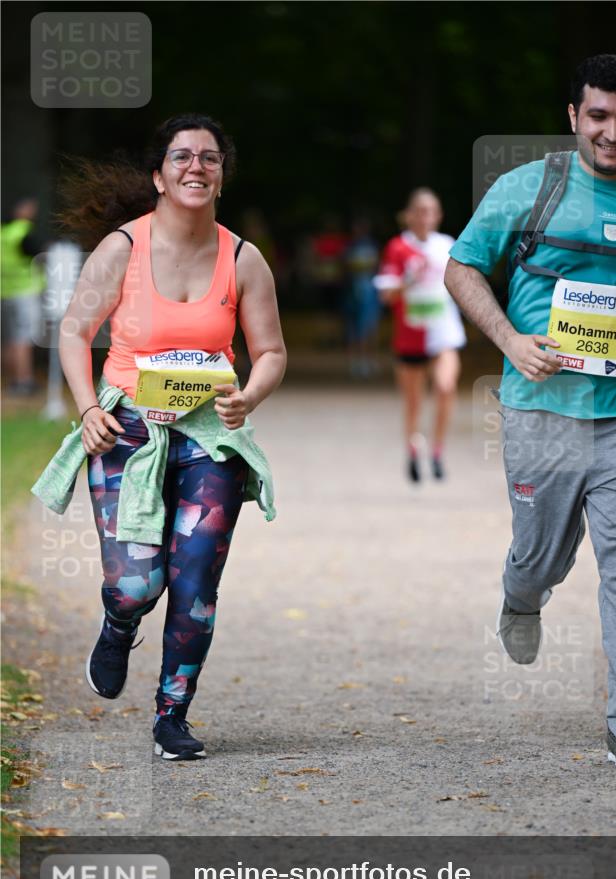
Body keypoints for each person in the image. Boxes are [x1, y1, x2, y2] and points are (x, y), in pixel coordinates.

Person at [32, 113, 287, 761]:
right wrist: (88, 407)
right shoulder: (123, 248)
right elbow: (71, 331)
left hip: (209, 435)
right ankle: (119, 623)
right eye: (181, 157)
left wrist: (248, 395)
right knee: (136, 584)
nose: (196, 167)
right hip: (126, 429)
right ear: (159, 176)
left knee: (196, 579)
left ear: (221, 178)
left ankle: (172, 713)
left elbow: (271, 352)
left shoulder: (242, 258)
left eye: (209, 158)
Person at [445, 55, 616, 768]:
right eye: (597, 116)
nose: (612, 132)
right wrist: (510, 341)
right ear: (573, 117)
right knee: (541, 555)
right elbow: (460, 266)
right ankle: (522, 594)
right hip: (540, 411)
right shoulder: (529, 187)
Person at [375, 189, 466, 482]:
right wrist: (407, 283)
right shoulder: (398, 247)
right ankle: (413, 448)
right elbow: (387, 296)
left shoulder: (448, 245)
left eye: (431, 211)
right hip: (410, 336)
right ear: (409, 215)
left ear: (438, 216)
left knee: (445, 386)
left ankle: (437, 451)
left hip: (444, 333)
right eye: (420, 211)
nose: (426, 217)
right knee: (413, 400)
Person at [1, 197, 45, 395]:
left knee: (11, 338)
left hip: (6, 292)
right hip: (25, 292)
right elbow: (41, 257)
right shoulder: (25, 233)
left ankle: (12, 379)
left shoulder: (4, 233)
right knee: (23, 338)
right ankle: (23, 380)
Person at [343, 217, 381, 378]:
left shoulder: (372, 245)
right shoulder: (350, 247)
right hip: (353, 293)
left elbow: (377, 265)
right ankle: (355, 361)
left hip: (369, 293)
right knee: (353, 328)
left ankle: (369, 359)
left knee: (369, 327)